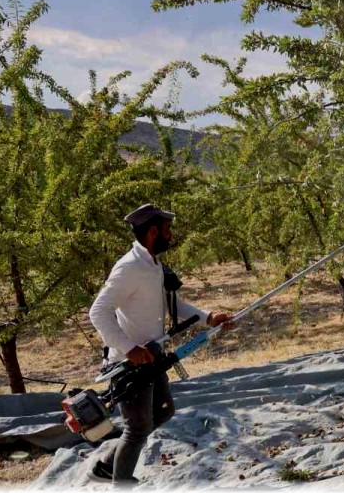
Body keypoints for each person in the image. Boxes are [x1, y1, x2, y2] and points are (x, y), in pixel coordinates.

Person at [88, 204, 235, 486]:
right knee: (137, 428)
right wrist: (129, 348)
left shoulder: (153, 265)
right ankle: (121, 483)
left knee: (164, 411)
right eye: (168, 230)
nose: (171, 235)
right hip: (128, 364)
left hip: (152, 357)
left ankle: (108, 465)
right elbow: (98, 311)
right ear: (153, 231)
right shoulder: (129, 267)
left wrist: (208, 318)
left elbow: (172, 305)